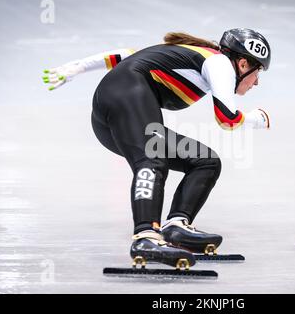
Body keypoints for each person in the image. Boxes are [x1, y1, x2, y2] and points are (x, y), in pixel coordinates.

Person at [43, 28, 271, 268]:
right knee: (153, 160)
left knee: (204, 161)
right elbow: (227, 119)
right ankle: (145, 237)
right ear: (243, 63)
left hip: (111, 111)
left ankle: (176, 227)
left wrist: (77, 67)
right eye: (258, 73)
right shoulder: (221, 64)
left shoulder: (200, 56)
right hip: (125, 96)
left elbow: (128, 55)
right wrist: (258, 118)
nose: (257, 82)